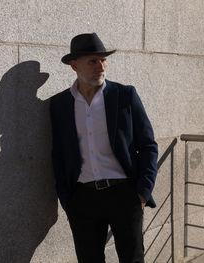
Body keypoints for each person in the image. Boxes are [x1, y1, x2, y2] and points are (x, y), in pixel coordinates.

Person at [50, 33, 158, 263]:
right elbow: (58, 154)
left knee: (133, 259)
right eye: (93, 61)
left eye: (104, 60)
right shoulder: (60, 104)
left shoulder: (125, 95)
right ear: (74, 65)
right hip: (82, 199)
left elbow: (148, 145)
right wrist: (67, 199)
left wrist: (142, 192)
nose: (101, 66)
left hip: (125, 195)